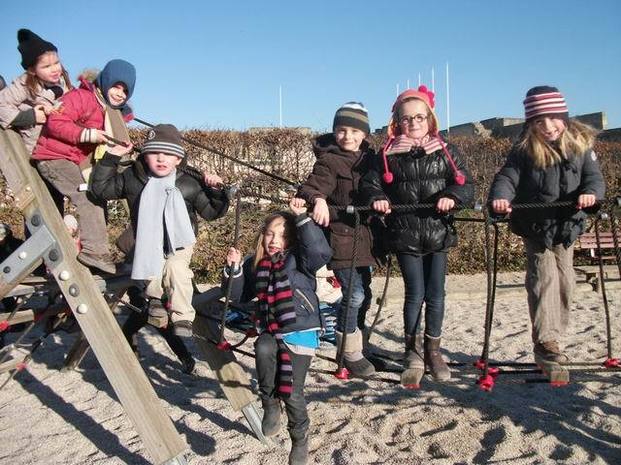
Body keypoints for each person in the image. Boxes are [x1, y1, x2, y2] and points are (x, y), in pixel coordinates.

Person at [360, 86, 474, 384]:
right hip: (405, 232)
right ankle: (412, 350)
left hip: (438, 231)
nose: (413, 123)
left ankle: (433, 350)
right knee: (414, 293)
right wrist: (377, 199)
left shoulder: (446, 150)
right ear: (397, 121)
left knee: (436, 294)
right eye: (407, 118)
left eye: (419, 117)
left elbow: (466, 184)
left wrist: (453, 195)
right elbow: (371, 185)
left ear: (430, 119)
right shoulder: (387, 155)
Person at [489, 85, 605, 363]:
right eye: (539, 121)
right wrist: (500, 198)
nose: (548, 126)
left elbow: (594, 178)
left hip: (566, 226)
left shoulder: (581, 146)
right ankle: (545, 341)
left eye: (553, 118)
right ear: (531, 124)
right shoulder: (524, 151)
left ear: (564, 118)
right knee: (543, 279)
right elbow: (507, 178)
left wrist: (591, 194)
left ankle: (554, 332)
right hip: (536, 227)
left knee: (566, 281)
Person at [90, 123, 229, 337]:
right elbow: (101, 189)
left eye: (168, 154)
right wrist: (111, 157)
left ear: (178, 159)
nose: (161, 159)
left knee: (176, 268)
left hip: (180, 241)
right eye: (154, 153)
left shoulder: (188, 182)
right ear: (145, 156)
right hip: (148, 240)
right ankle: (154, 298)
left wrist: (217, 191)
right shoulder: (132, 178)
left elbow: (211, 212)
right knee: (149, 258)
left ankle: (182, 316)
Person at [224, 199, 332, 465]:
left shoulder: (300, 259)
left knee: (292, 392)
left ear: (292, 240)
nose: (274, 240)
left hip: (300, 329)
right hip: (271, 329)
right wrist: (234, 270)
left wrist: (302, 218)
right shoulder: (256, 264)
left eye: (282, 235)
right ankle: (269, 405)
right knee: (262, 347)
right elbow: (237, 296)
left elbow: (320, 251)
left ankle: (299, 438)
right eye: (270, 233)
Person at [293, 102, 376, 377]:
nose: (347, 136)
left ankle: (359, 344)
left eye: (354, 130)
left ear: (364, 133)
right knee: (354, 295)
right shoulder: (329, 159)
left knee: (365, 296)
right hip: (341, 237)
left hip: (369, 238)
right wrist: (317, 200)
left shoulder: (372, 159)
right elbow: (312, 187)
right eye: (341, 130)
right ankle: (347, 350)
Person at [31, 59, 136, 274]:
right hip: (54, 158)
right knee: (89, 196)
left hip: (71, 161)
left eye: (125, 90)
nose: (119, 93)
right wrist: (88, 134)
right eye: (116, 85)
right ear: (105, 80)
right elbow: (55, 122)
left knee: (97, 196)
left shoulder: (105, 109)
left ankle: (95, 250)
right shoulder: (81, 97)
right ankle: (94, 251)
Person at [0, 29, 72, 154]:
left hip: (61, 139)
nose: (54, 69)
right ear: (32, 70)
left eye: (56, 63)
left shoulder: (63, 82)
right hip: (39, 146)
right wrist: (31, 116)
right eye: (46, 66)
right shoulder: (24, 84)